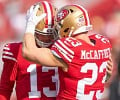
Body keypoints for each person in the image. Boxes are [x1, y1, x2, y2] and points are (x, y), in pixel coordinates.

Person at [22, 4, 113, 100]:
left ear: (69, 26)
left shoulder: (70, 48)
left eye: (60, 25)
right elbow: (97, 78)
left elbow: (28, 52)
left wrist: (31, 24)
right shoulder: (103, 43)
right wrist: (105, 76)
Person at [0, 1, 59, 100]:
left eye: (51, 35)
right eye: (43, 35)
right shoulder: (15, 51)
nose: (48, 39)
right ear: (32, 30)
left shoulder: (63, 48)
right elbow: (5, 88)